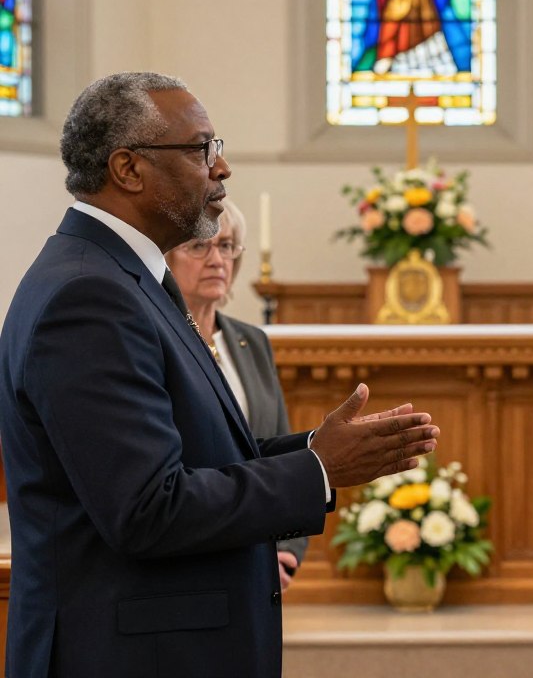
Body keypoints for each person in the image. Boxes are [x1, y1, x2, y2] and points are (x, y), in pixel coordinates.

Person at [0, 71, 440, 678]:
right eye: (202, 149)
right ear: (128, 169)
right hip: (131, 655)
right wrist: (317, 471)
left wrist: (315, 449)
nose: (222, 168)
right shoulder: (88, 296)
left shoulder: (127, 278)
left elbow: (195, 458)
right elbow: (147, 509)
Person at [166, 197, 307, 591]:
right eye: (199, 245)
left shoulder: (251, 342)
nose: (217, 259)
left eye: (227, 246)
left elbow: (282, 451)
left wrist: (287, 550)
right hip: (191, 558)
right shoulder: (160, 340)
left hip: (261, 560)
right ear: (166, 257)